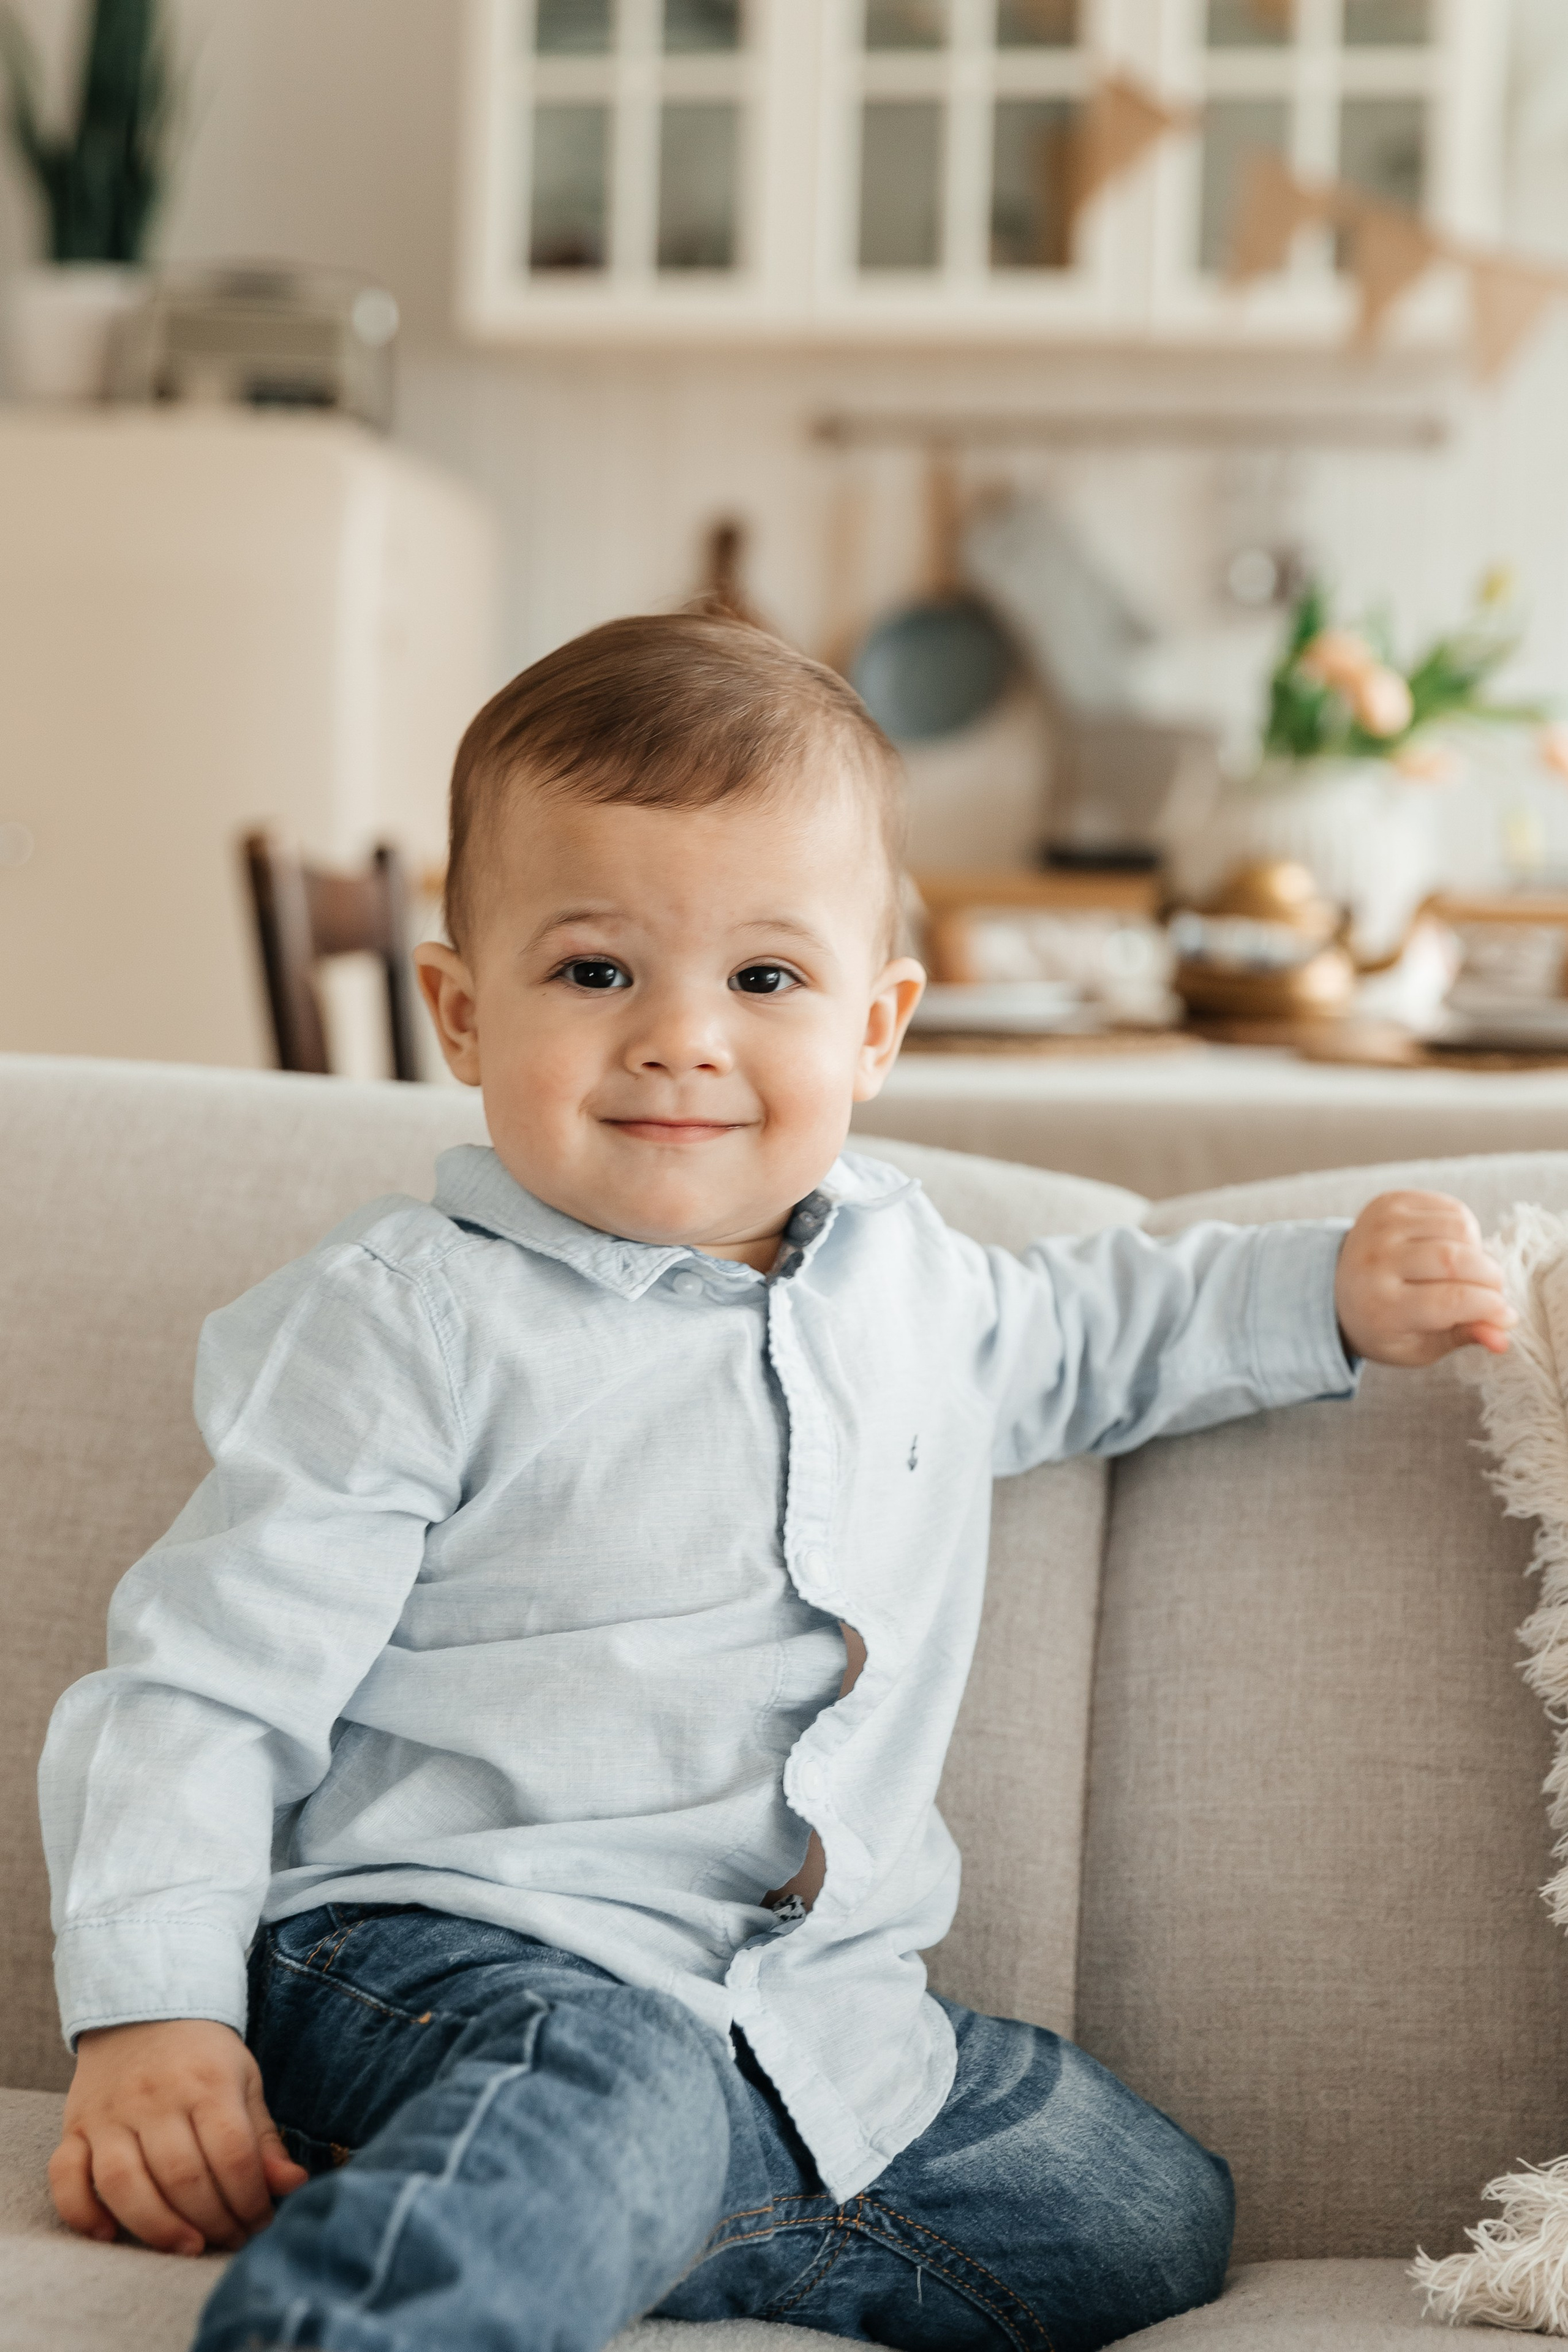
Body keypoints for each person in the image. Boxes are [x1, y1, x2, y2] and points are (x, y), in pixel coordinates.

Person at [38, 616, 1514, 2352]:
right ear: (458, 1007)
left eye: (765, 979)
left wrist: (1329, 1289)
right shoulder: (411, 1321)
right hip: (453, 1957)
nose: (682, 1039)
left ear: (878, 1024)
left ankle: (638, 2215)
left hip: (813, 2013)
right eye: (595, 973)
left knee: (1138, 2207)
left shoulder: (919, 1286)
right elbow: (204, 1686)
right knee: (609, 2077)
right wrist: (152, 2013)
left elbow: (1110, 1328)